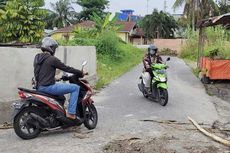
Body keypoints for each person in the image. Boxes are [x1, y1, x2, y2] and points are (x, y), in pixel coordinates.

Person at [34, 37, 86, 121]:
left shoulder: (37, 58)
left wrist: (54, 78)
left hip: (39, 86)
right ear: (50, 48)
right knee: (75, 88)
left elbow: (42, 73)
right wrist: (80, 73)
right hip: (48, 87)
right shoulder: (52, 59)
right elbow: (67, 68)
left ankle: (57, 114)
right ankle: (71, 113)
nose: (54, 50)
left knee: (61, 97)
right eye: (54, 48)